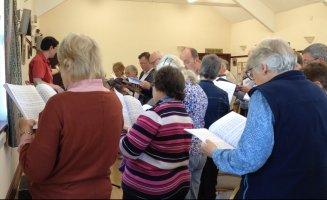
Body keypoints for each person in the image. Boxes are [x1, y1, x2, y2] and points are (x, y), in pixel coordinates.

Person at [201, 38, 327, 199]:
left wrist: (215, 152)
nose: (253, 78)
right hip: (313, 187)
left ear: (263, 67)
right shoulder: (315, 90)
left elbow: (248, 160)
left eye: (251, 72)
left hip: (275, 187)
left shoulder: (265, 95)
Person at [18, 33, 123, 199]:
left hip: (59, 193)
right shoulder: (114, 101)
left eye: (59, 65)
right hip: (99, 192)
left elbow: (35, 170)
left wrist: (25, 133)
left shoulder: (59, 104)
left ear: (67, 65)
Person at [120, 66, 193, 199]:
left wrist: (122, 130)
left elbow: (127, 150)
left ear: (158, 87)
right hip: (177, 184)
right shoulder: (185, 116)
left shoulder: (155, 115)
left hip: (151, 187)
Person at [156, 55, 208, 199]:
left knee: (182, 193)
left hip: (186, 150)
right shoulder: (198, 88)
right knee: (193, 192)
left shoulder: (180, 92)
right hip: (200, 148)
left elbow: (172, 119)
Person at [198, 54, 230, 200]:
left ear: (200, 68)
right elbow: (224, 121)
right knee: (209, 182)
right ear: (218, 72)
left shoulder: (190, 90)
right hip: (212, 142)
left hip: (192, 142)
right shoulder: (222, 94)